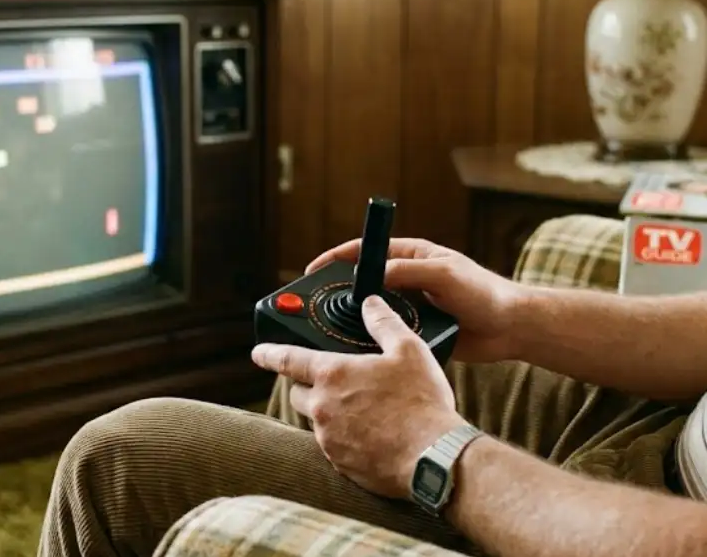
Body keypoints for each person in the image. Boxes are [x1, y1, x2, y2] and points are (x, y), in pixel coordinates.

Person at [37, 235, 707, 557]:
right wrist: (516, 312)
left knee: (118, 463)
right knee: (331, 365)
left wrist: (438, 451)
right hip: (670, 431)